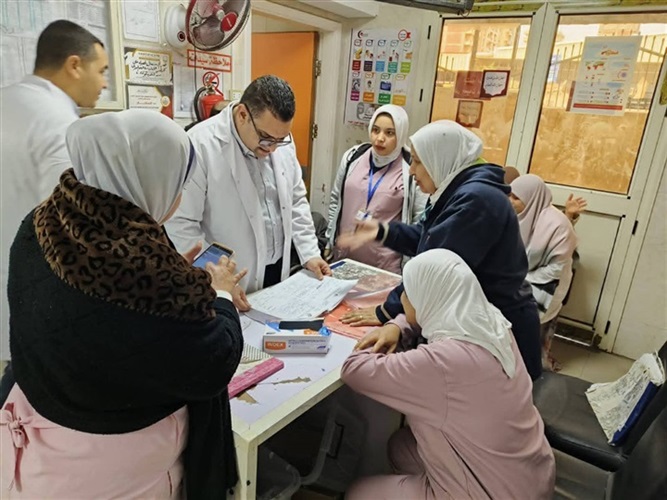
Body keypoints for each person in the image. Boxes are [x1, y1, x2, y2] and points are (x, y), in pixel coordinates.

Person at [1, 110, 244, 499]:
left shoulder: (41, 223)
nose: (179, 197)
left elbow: (105, 311)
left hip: (36, 440)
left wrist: (173, 276)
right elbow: (214, 360)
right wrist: (219, 293)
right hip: (113, 470)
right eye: (177, 183)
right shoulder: (149, 277)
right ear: (147, 179)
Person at [341, 249, 555, 499]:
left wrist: (381, 333)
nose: (404, 299)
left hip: (492, 494)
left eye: (407, 292)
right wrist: (397, 324)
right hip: (532, 476)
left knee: (358, 493)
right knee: (401, 447)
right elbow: (420, 318)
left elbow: (354, 370)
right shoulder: (492, 323)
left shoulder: (442, 362)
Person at [338, 120, 543, 380]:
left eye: (418, 162)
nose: (412, 171)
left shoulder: (476, 200)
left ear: (440, 159)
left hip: (502, 328)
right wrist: (382, 231)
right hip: (483, 324)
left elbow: (435, 267)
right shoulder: (459, 190)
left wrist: (386, 311)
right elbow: (430, 237)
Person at [0, 19, 109, 402]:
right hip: (37, 297)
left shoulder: (6, 100)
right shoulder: (59, 123)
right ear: (74, 65)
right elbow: (70, 224)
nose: (104, 83)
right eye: (102, 70)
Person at [165, 75, 330, 311]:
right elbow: (182, 224)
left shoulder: (278, 138)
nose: (272, 148)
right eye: (266, 139)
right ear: (243, 114)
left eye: (280, 140)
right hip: (230, 279)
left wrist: (310, 253)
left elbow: (295, 201)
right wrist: (219, 281)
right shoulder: (200, 145)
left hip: (277, 272)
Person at [326, 104, 426, 274]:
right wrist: (329, 239)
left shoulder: (410, 166)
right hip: (344, 256)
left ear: (401, 134)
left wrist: (410, 263)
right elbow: (336, 199)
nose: (380, 138)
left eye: (389, 133)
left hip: (384, 265)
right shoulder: (353, 157)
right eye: (376, 130)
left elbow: (419, 217)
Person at [510, 174, 577, 371]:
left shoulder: (559, 225)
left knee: (528, 321)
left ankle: (531, 365)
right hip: (520, 277)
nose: (510, 201)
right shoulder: (515, 216)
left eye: (516, 197)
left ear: (532, 199)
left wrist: (522, 279)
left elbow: (555, 270)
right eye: (509, 195)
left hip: (548, 283)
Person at [504, 167, 587, 224]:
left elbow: (557, 232)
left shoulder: (540, 210)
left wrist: (568, 215)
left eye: (516, 197)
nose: (510, 200)